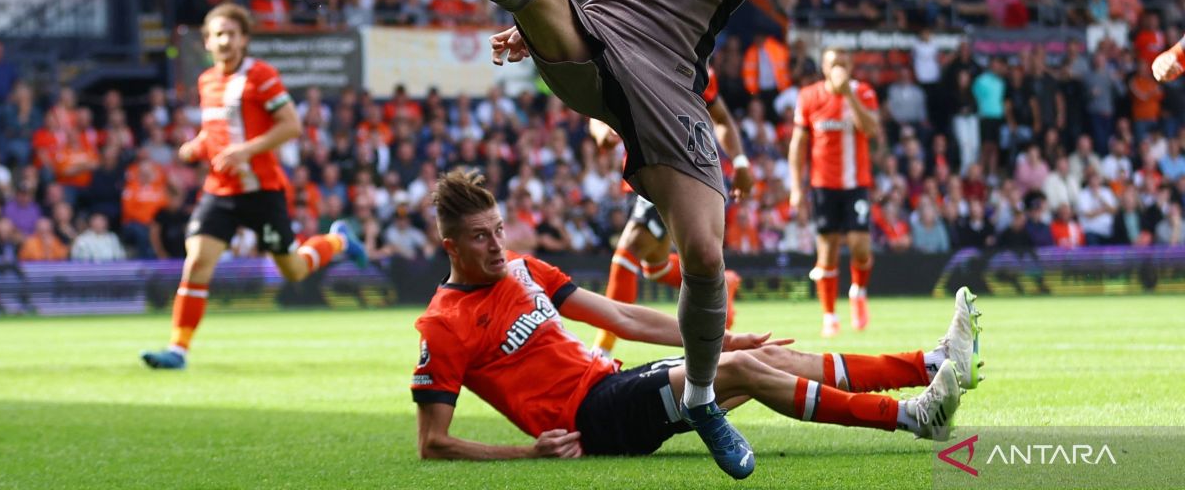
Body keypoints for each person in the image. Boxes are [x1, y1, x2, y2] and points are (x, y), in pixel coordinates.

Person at [423, 0, 808, 477]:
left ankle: (699, 398)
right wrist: (539, 20)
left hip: (670, 81)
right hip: (600, 37)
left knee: (703, 256)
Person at [412, 170, 983, 472]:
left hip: (612, 386)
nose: (496, 245)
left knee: (758, 358)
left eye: (499, 230)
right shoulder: (443, 325)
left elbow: (617, 314)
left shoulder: (521, 269)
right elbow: (432, 444)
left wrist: (719, 336)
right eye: (480, 237)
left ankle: (928, 364)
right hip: (591, 421)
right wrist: (527, 453)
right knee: (741, 371)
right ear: (451, 247)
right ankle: (912, 417)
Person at [140, 3, 367, 370]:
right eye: (217, 34)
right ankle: (177, 350)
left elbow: (291, 125)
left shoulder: (261, 75)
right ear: (208, 42)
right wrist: (196, 147)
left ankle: (337, 239)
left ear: (244, 39)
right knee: (196, 262)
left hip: (263, 191)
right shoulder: (206, 81)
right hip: (220, 191)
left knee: (292, 269)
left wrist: (246, 150)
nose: (224, 40)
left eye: (231, 33)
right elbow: (214, 131)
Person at [589, 67, 754, 358]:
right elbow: (595, 108)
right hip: (638, 172)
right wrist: (601, 130)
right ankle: (721, 282)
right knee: (655, 264)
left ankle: (601, 352)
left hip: (676, 167)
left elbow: (722, 118)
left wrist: (740, 163)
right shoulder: (625, 56)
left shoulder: (697, 68)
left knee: (630, 248)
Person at [788, 47, 880, 337]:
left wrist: (848, 95)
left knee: (860, 246)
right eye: (833, 63)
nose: (838, 67)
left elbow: (872, 130)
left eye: (843, 63)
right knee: (826, 252)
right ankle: (829, 315)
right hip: (823, 184)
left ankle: (858, 294)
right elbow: (798, 145)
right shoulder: (809, 96)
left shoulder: (863, 93)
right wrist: (795, 186)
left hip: (856, 183)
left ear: (851, 66)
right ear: (824, 68)